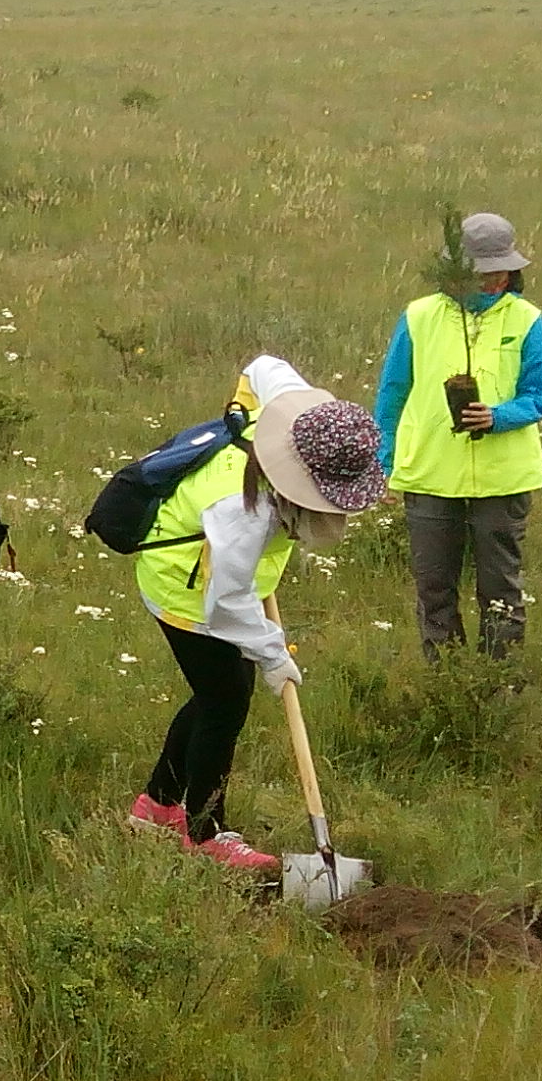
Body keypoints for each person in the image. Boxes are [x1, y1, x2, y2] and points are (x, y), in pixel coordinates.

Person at [121, 357, 388, 871]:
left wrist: (240, 405)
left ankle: (155, 807)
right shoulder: (242, 512)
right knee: (225, 702)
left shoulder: (312, 425)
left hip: (222, 582)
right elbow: (225, 602)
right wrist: (271, 653)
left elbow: (263, 365)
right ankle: (203, 831)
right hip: (185, 587)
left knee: (216, 693)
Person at [374, 212, 542, 657]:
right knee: (434, 592)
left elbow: (539, 395)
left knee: (500, 594)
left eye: (501, 271)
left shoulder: (527, 320)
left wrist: (498, 416)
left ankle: (499, 689)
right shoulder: (418, 317)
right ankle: (447, 684)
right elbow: (392, 394)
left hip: (503, 478)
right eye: (482, 273)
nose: (493, 281)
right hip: (430, 475)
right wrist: (384, 464)